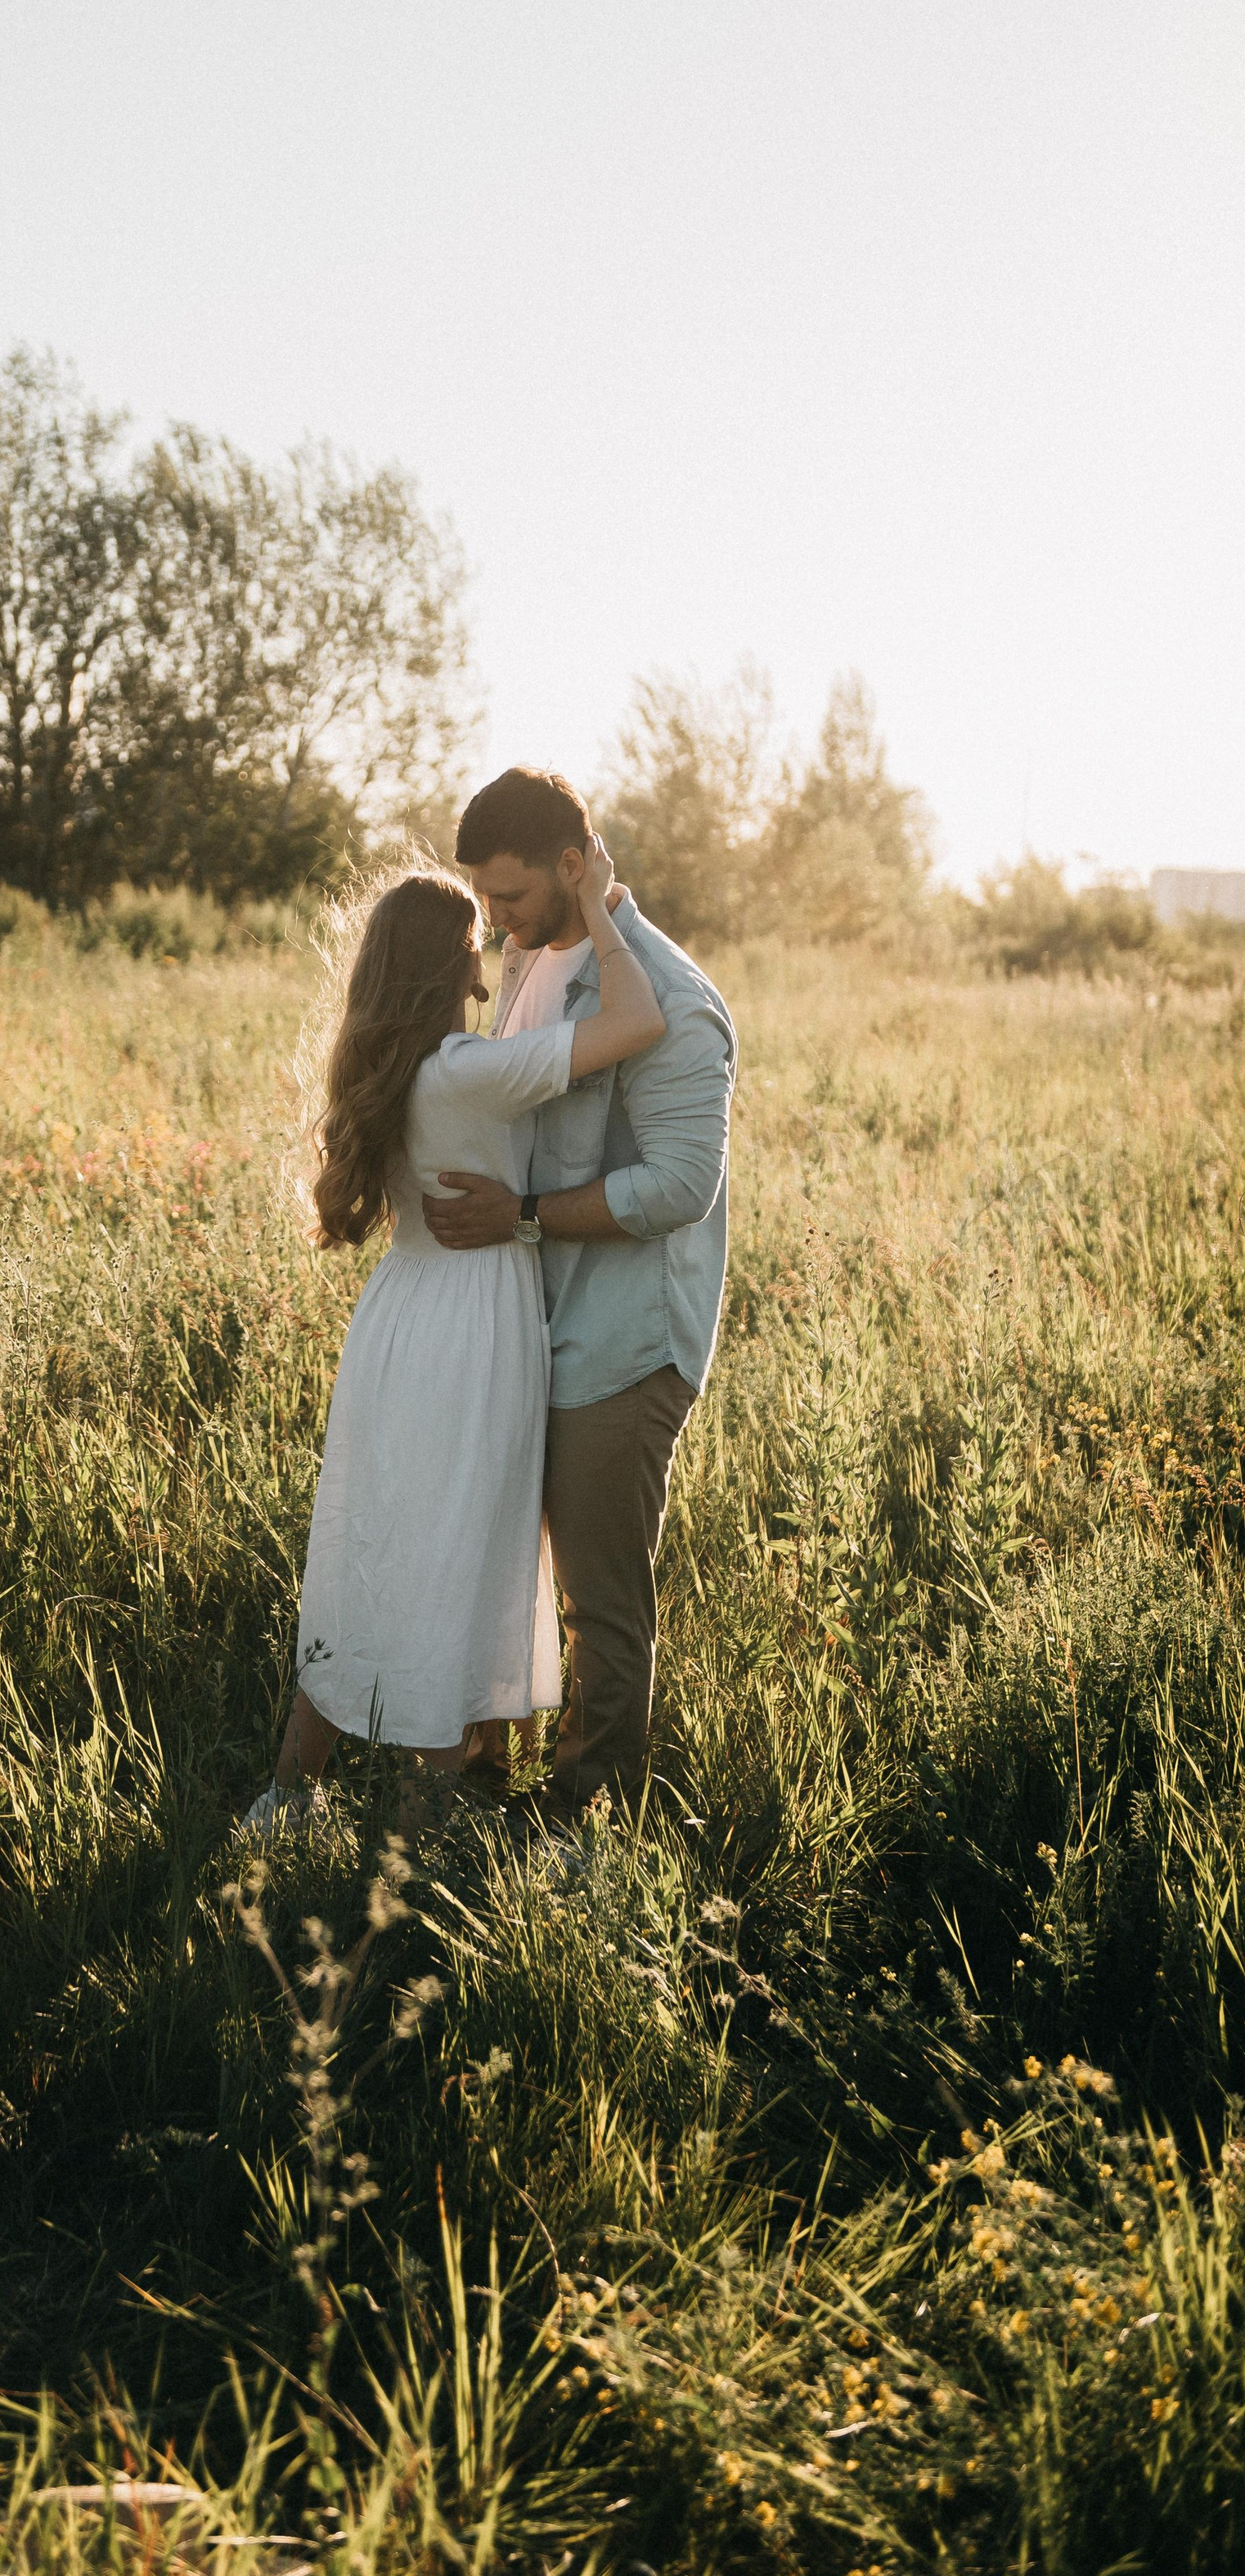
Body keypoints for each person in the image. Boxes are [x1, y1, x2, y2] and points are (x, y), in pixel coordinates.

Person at [243, 840, 664, 1835]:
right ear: (444, 967)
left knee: (372, 1549)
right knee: (454, 1555)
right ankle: (418, 1832)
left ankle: (286, 1793)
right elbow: (639, 1019)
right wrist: (601, 905)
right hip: (473, 1329)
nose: (485, 971)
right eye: (474, 948)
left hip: (399, 1321)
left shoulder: (387, 1069)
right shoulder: (467, 1073)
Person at [425, 765, 736, 1828]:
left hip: (624, 1338)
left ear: (574, 864)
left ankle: (590, 1819)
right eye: (483, 897)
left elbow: (681, 1186)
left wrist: (520, 1214)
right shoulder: (528, 955)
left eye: (509, 892)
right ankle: (493, 1782)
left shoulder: (670, 995)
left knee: (601, 1599)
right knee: (508, 1562)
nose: (493, 917)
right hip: (530, 1322)